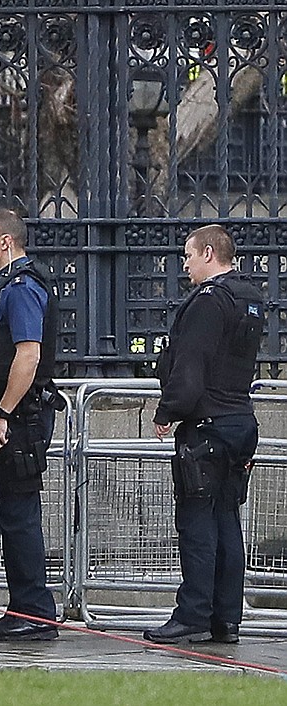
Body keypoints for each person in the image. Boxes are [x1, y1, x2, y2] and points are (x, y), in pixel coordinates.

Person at [143, 225, 264, 645]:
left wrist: (167, 411)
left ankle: (193, 612)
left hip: (206, 425)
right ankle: (226, 618)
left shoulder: (209, 301)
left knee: (197, 523)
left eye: (189, 256)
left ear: (209, 253)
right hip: (239, 423)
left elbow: (190, 364)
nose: (186, 264)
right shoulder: (249, 298)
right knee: (227, 520)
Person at [0, 207, 61, 641]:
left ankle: (35, 611)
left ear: (6, 242)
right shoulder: (7, 286)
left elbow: (28, 354)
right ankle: (28, 607)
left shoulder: (22, 287)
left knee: (20, 515)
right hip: (17, 414)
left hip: (20, 418)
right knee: (13, 511)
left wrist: (1, 414)